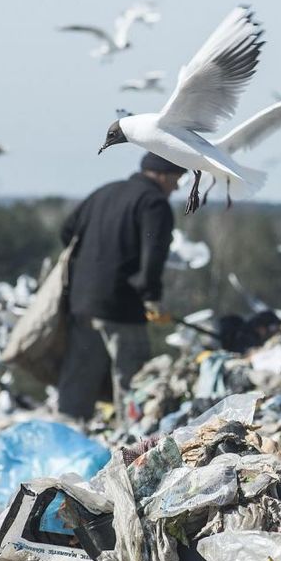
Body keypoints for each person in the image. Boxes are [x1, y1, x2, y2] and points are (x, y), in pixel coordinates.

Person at [56, 152, 184, 421]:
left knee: (78, 378)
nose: (177, 186)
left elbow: (67, 231)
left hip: (82, 302)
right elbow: (153, 256)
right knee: (133, 381)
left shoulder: (104, 192)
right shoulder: (154, 204)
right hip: (122, 306)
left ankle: (65, 433)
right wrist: (151, 297)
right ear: (162, 174)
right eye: (177, 178)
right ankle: (130, 442)